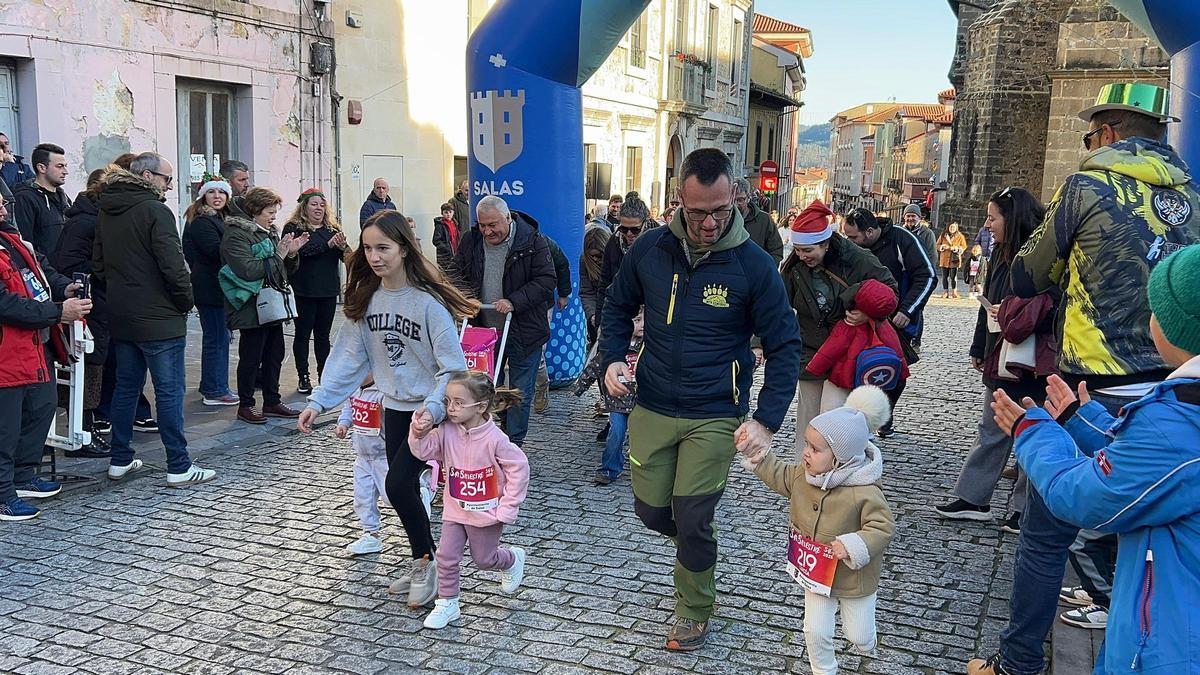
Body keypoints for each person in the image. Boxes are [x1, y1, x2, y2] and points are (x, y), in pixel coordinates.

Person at [967, 82, 1200, 675]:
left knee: (1047, 535)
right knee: (1156, 535)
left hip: (1094, 385)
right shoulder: (1194, 195)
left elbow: (1026, 273)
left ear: (1111, 134)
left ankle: (1019, 662)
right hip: (1178, 384)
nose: (1088, 146)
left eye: (1090, 136)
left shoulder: (1087, 185)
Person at [600, 148, 803, 651]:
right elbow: (617, 305)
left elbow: (785, 346)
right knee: (651, 513)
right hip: (652, 404)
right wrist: (611, 358)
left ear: (734, 195)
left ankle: (693, 608)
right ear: (679, 201)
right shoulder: (649, 250)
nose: (709, 223)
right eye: (696, 213)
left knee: (692, 515)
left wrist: (766, 421)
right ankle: (698, 548)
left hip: (716, 411)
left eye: (718, 210)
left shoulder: (754, 266)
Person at [986, 243, 1200, 675]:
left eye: (1155, 308)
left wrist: (1033, 433)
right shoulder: (1181, 414)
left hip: (1166, 648)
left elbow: (1082, 498)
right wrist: (1079, 421)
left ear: (1177, 329)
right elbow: (1155, 467)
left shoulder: (1177, 424)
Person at [298, 209, 474, 608]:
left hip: (427, 414)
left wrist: (434, 408)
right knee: (402, 488)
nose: (375, 256)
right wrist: (319, 400)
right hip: (393, 409)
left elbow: (453, 367)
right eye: (369, 248)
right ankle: (424, 559)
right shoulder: (368, 301)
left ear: (404, 250)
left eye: (384, 247)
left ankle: (427, 563)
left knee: (396, 484)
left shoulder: (429, 305)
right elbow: (347, 358)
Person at [739, 386, 896, 675]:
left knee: (858, 635)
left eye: (814, 449)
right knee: (815, 629)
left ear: (839, 457)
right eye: (807, 445)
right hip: (816, 573)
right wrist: (759, 455)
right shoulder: (804, 474)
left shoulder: (865, 491)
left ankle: (868, 640)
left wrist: (853, 545)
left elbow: (882, 526)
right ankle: (824, 670)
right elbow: (782, 476)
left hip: (854, 579)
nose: (806, 453)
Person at [936, 186, 1054, 534]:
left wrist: (1018, 315)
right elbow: (987, 303)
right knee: (991, 428)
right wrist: (979, 347)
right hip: (1000, 355)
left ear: (1012, 217)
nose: (987, 225)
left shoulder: (1043, 256)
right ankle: (973, 498)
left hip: (1036, 359)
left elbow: (1053, 307)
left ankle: (1024, 510)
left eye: (992, 218)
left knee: (1034, 431)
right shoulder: (1000, 255)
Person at [93, 153, 215, 486]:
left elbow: (99, 266)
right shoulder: (154, 211)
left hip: (123, 314)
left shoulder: (107, 209)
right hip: (159, 317)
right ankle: (179, 465)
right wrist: (185, 300)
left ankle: (120, 459)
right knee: (169, 391)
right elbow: (173, 265)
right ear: (147, 176)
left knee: (126, 389)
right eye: (166, 178)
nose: (169, 184)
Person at [409, 370, 529, 629]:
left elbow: (519, 467)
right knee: (446, 556)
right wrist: (418, 433)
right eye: (448, 402)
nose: (451, 409)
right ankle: (448, 603)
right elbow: (424, 451)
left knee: (483, 559)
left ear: (481, 406)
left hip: (486, 513)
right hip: (454, 509)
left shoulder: (496, 439)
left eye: (459, 403)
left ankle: (511, 559)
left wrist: (508, 507)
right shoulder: (446, 431)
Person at [0, 193, 90, 521]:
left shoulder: (12, 239)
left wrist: (63, 289)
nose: (3, 208)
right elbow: (5, 303)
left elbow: (39, 272)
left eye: (2, 203)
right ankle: (3, 494)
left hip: (32, 346)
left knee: (42, 407)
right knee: (5, 427)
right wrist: (56, 312)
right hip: (7, 351)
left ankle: (23, 475)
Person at [785, 200, 898, 437]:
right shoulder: (794, 267)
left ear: (825, 243)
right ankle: (802, 472)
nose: (801, 256)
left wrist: (868, 313)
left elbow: (890, 292)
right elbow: (776, 305)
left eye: (808, 250)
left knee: (832, 418)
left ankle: (835, 472)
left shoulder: (858, 258)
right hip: (810, 350)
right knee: (808, 420)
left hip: (846, 351)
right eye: (797, 249)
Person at [453, 195, 556, 447]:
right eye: (482, 225)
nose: (487, 231)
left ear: (508, 219)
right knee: (484, 388)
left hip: (524, 330)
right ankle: (488, 436)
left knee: (520, 391)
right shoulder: (471, 241)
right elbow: (456, 272)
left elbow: (545, 280)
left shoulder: (533, 241)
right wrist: (465, 299)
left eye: (493, 225)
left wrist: (514, 301)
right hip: (484, 332)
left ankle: (514, 443)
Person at [842, 209, 936, 437]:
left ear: (871, 231)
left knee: (896, 372)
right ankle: (859, 419)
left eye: (853, 237)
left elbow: (928, 275)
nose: (849, 241)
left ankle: (883, 414)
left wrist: (908, 310)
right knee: (856, 369)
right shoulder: (850, 248)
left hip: (895, 320)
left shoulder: (902, 240)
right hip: (858, 319)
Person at [220, 187, 308, 424]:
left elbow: (283, 273)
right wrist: (279, 256)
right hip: (249, 304)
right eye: (270, 212)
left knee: (274, 353)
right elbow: (247, 270)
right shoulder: (236, 234)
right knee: (251, 355)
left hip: (271, 303)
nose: (273, 217)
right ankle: (246, 404)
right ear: (254, 211)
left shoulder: (268, 232)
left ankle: (272, 400)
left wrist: (291, 254)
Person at [50, 168, 113, 457]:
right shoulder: (86, 221)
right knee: (88, 365)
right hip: (89, 304)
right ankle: (82, 433)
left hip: (99, 302)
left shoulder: (97, 218)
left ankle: (88, 428)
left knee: (95, 365)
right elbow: (69, 262)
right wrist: (103, 275)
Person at [283, 188, 349, 395]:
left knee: (323, 336)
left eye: (322, 205)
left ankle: (324, 374)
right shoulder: (293, 228)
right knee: (302, 335)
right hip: (303, 289)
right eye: (313, 204)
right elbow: (299, 253)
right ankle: (303, 375)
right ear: (304, 207)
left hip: (327, 290)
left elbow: (345, 256)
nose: (318, 208)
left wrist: (344, 247)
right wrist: (327, 245)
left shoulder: (331, 229)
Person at [182, 177, 239, 406]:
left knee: (220, 337)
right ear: (203, 195)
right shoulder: (202, 221)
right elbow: (216, 251)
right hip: (211, 287)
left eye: (222, 192)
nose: (217, 196)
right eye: (212, 192)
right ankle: (215, 390)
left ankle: (213, 384)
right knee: (217, 338)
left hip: (217, 286)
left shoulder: (222, 219)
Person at [571, 307, 643, 485]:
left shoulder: (650, 346)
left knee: (643, 439)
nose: (642, 325)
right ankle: (609, 469)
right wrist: (580, 386)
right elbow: (596, 366)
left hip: (642, 403)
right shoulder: (614, 347)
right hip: (617, 402)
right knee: (616, 434)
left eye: (643, 320)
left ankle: (645, 472)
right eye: (636, 321)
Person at [335, 376, 402, 556]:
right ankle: (370, 533)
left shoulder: (383, 393)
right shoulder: (353, 390)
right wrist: (343, 423)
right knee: (362, 496)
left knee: (392, 497)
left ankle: (419, 492)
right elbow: (348, 409)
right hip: (362, 457)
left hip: (383, 456)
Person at [598, 192, 651, 324]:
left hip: (650, 314)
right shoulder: (613, 242)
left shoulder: (660, 242)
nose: (629, 234)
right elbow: (605, 281)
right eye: (623, 228)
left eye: (635, 230)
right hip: (621, 310)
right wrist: (599, 319)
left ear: (646, 223)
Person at [13, 143, 71, 255]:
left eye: (65, 166)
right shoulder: (25, 198)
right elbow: (26, 244)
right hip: (47, 269)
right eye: (59, 166)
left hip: (68, 268)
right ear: (41, 168)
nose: (65, 172)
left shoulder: (63, 197)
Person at [733, 178, 784, 265]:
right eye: (732, 200)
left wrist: (766, 271)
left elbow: (776, 250)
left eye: (740, 200)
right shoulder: (722, 219)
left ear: (748, 198)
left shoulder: (764, 219)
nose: (735, 204)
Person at [578, 226, 611, 346]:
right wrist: (592, 315)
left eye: (599, 255)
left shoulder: (619, 258)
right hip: (597, 313)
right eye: (592, 256)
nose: (596, 259)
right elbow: (586, 291)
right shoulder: (584, 261)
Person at [936, 222, 968, 298]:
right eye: (951, 227)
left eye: (953, 227)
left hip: (954, 259)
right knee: (944, 276)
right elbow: (937, 245)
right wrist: (942, 246)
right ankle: (945, 292)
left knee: (953, 276)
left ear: (956, 228)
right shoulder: (943, 235)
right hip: (944, 258)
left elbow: (964, 246)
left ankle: (954, 292)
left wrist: (956, 248)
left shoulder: (960, 236)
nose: (952, 229)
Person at [432, 202, 461, 274]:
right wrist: (447, 248)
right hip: (445, 256)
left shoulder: (455, 223)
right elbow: (436, 240)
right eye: (446, 212)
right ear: (442, 213)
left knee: (454, 274)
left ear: (453, 212)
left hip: (455, 253)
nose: (448, 214)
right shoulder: (440, 225)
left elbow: (457, 237)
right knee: (446, 275)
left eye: (450, 212)